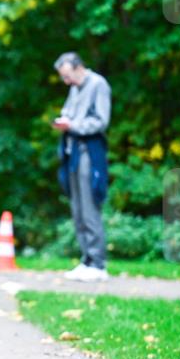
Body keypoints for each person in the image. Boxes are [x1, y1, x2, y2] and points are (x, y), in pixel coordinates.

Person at [53, 52, 111, 282]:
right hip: (72, 152)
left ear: (79, 67)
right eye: (63, 78)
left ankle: (98, 264)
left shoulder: (98, 84)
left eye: (68, 76)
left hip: (90, 152)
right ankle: (87, 260)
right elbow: (69, 111)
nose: (66, 82)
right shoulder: (74, 87)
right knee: (77, 209)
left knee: (89, 207)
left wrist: (73, 125)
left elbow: (101, 121)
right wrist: (63, 120)